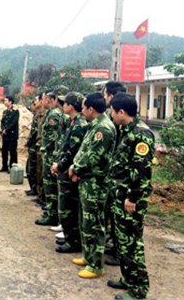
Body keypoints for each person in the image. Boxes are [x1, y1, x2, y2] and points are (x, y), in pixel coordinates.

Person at [107, 93, 154, 300]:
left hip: (130, 199)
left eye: (112, 111)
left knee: (133, 242)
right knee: (123, 241)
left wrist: (133, 198)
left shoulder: (141, 134)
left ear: (121, 112)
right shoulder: (125, 130)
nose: (111, 114)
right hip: (120, 196)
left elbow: (141, 170)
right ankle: (128, 279)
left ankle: (139, 288)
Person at [68, 92, 116, 279]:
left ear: (91, 109)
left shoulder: (102, 129)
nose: (81, 110)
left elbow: (93, 156)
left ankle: (96, 265)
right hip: (87, 180)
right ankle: (88, 256)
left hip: (96, 183)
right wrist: (75, 167)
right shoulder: (94, 126)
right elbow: (84, 150)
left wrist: (76, 168)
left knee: (94, 223)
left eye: (83, 107)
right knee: (86, 220)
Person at [51, 92, 88, 253]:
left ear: (71, 106)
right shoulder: (73, 122)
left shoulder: (79, 125)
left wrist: (59, 165)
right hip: (65, 169)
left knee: (68, 208)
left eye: (65, 103)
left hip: (69, 170)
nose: (62, 105)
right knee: (67, 207)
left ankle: (73, 241)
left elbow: (72, 150)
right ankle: (70, 238)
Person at [36, 89, 68, 228]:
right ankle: (51, 211)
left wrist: (46, 149)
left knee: (50, 185)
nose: (42, 101)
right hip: (51, 153)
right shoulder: (53, 113)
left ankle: (52, 214)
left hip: (51, 153)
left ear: (51, 100)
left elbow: (53, 136)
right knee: (49, 185)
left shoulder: (54, 114)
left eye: (44, 99)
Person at [103, 81, 127, 266]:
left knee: (121, 219)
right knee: (112, 213)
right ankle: (114, 245)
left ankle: (120, 251)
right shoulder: (114, 120)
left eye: (105, 95)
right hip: (113, 176)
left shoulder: (123, 120)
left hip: (123, 180)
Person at [25, 94, 43, 195]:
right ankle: (34, 188)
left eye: (36, 100)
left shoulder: (42, 115)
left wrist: (29, 141)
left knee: (34, 169)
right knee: (30, 168)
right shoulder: (36, 114)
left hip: (36, 146)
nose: (34, 103)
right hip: (33, 146)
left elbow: (36, 132)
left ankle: (36, 190)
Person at [0, 95, 19, 172]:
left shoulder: (15, 111)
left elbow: (14, 123)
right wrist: (3, 129)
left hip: (12, 135)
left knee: (12, 151)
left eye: (6, 100)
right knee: (4, 151)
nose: (4, 102)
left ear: (10, 102)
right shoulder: (5, 111)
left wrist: (7, 129)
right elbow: (2, 122)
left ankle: (13, 167)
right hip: (5, 135)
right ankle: (4, 166)